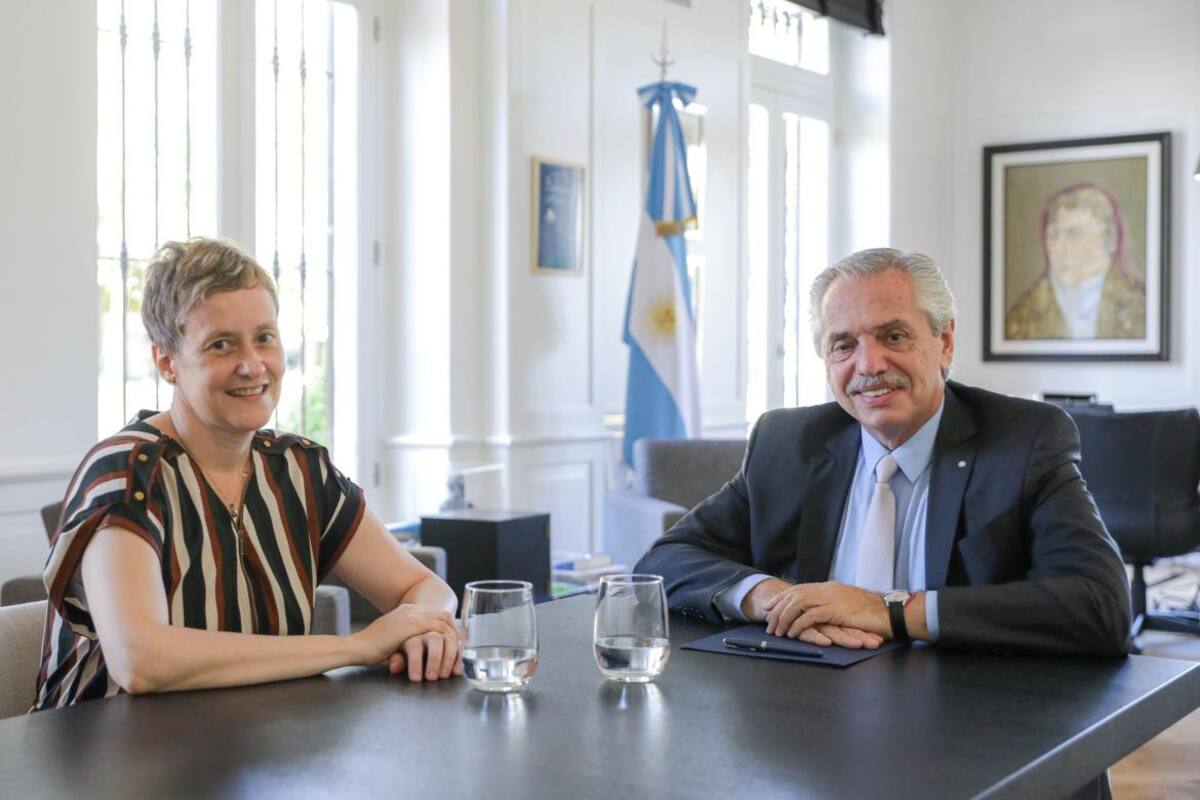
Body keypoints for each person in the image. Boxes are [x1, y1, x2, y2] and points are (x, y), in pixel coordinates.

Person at [635, 248, 1131, 657]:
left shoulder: (1024, 440)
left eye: (894, 336)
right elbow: (665, 560)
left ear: (945, 342)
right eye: (843, 345)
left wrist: (891, 610)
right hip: (807, 718)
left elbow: (1100, 605)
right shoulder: (787, 443)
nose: (869, 364)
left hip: (973, 722)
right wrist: (775, 599)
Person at [35, 238, 461, 710]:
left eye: (264, 337)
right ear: (166, 363)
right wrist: (358, 646)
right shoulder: (125, 475)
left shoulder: (299, 469)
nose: (252, 365)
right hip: (102, 763)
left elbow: (425, 588)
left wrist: (427, 627)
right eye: (221, 345)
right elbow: (141, 661)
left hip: (255, 750)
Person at [1005, 182, 1145, 340]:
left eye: (1074, 234)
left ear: (1109, 239)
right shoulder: (1022, 315)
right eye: (1053, 235)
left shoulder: (1141, 305)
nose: (1058, 247)